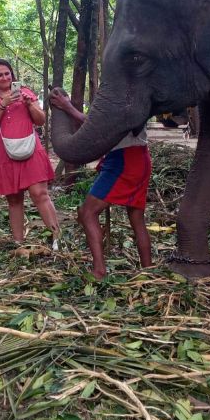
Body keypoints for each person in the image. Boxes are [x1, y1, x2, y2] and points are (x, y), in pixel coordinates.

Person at [50, 88, 152, 279]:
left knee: (87, 212)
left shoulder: (126, 96)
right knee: (137, 219)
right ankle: (149, 271)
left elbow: (99, 127)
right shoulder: (137, 94)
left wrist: (67, 106)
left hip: (124, 160)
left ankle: (99, 271)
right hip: (140, 157)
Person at [0, 59, 59, 249]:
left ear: (12, 75)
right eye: (0, 75)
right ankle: (19, 243)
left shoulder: (26, 92)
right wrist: (3, 104)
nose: (5, 77)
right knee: (14, 199)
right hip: (3, 154)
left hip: (31, 150)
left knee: (39, 193)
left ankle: (57, 238)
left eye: (7, 73)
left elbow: (40, 120)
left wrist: (30, 104)